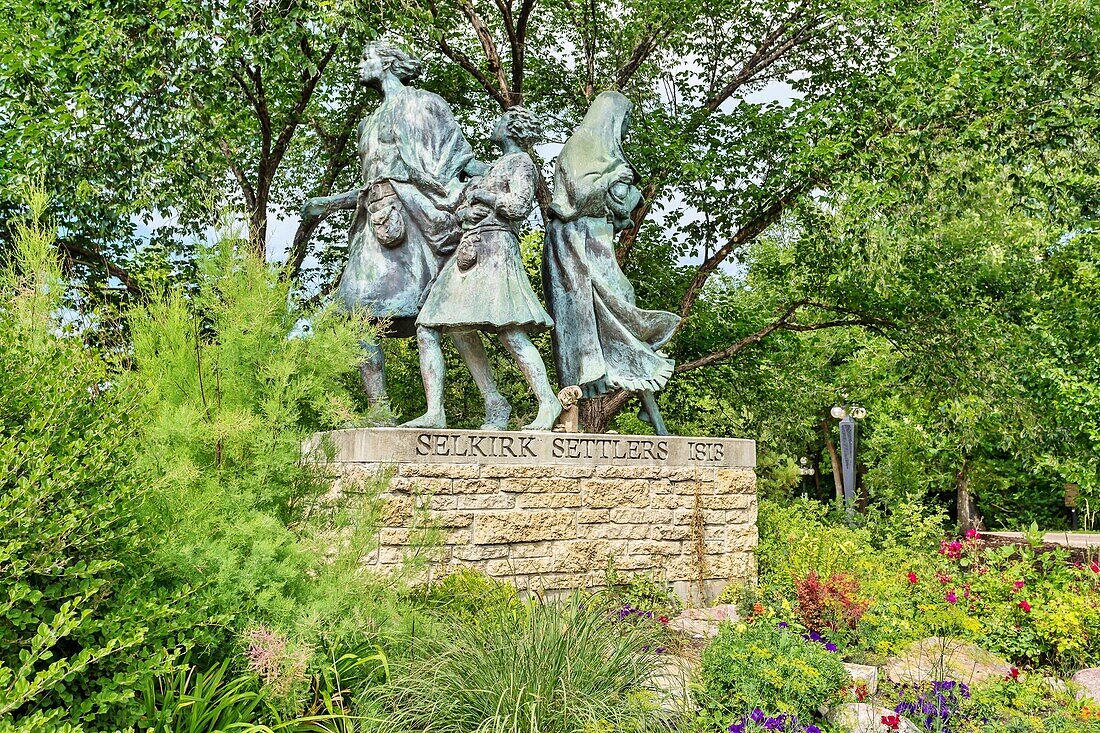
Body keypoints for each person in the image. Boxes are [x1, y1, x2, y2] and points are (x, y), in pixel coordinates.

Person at [300, 42, 508, 425]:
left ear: (389, 62)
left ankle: (494, 400)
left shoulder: (426, 103)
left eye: (366, 57)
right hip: (373, 228)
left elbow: (458, 158)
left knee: (449, 315)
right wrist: (327, 202)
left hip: (422, 221)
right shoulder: (367, 125)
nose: (360, 64)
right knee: (357, 315)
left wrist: (500, 174)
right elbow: (372, 184)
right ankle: (380, 409)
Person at [407, 107, 561, 431]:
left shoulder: (521, 163)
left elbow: (518, 205)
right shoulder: (492, 167)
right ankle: (445, 409)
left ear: (512, 128)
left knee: (510, 331)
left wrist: (482, 194)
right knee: (433, 325)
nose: (495, 124)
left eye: (501, 120)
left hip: (495, 249)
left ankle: (548, 401)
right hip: (470, 249)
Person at [543, 91, 680, 434]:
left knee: (625, 318)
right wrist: (613, 180)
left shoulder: (607, 153)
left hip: (595, 244)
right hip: (575, 248)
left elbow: (624, 209)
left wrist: (622, 190)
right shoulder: (580, 147)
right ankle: (570, 419)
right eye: (626, 122)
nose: (628, 130)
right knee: (596, 330)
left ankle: (651, 411)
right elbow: (575, 196)